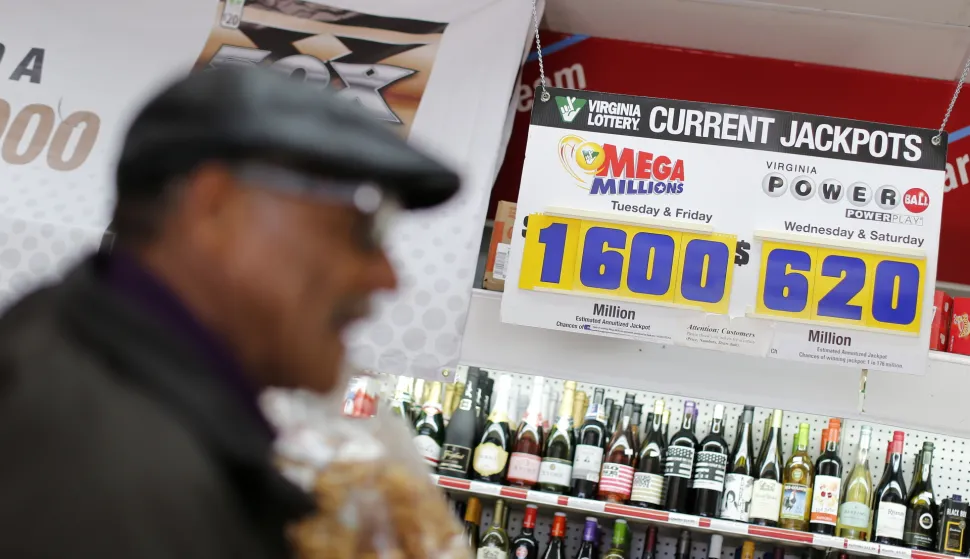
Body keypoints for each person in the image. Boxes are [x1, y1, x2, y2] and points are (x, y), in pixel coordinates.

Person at [0, 68, 459, 558]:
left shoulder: (89, 377)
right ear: (213, 207)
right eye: (363, 229)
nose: (386, 277)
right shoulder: (119, 478)